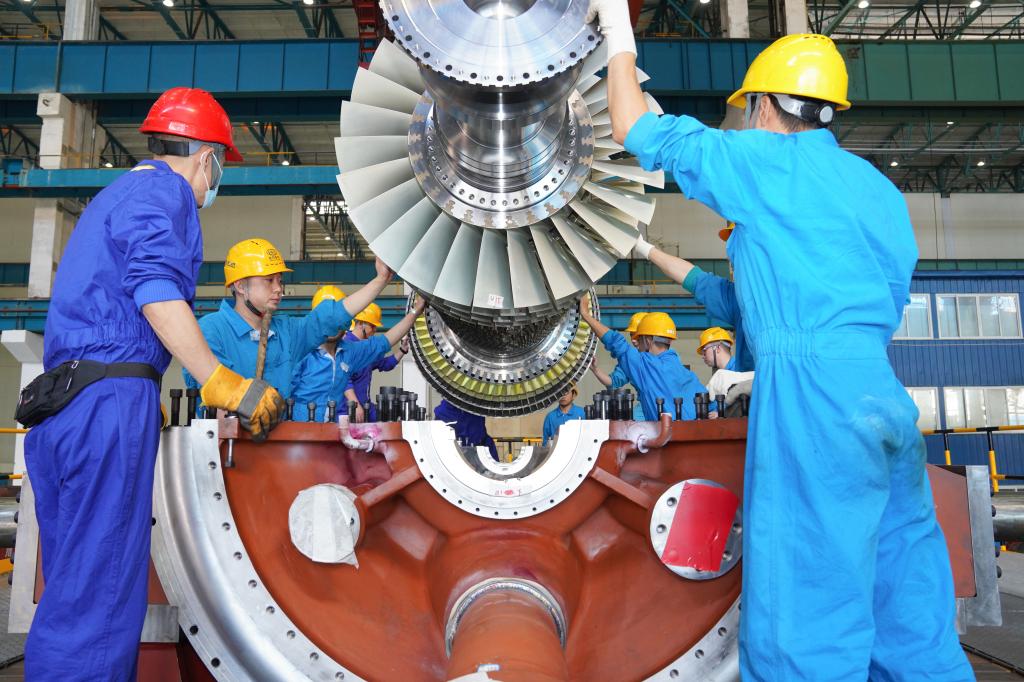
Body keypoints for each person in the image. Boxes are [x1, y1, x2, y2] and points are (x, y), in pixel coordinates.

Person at [589, 2, 971, 677]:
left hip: (813, 404)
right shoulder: (876, 189)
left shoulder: (765, 163)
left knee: (806, 609)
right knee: (906, 604)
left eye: (746, 111)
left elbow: (632, 128)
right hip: (881, 398)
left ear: (764, 105)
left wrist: (616, 31)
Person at [21, 88, 284, 681]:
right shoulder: (165, 192)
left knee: (74, 592)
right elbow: (156, 291)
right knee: (103, 595)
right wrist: (220, 381)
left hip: (67, 404)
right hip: (107, 404)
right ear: (207, 157)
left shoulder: (114, 195)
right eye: (220, 166)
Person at [183, 240, 396, 403]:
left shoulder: (286, 332)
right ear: (240, 286)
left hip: (276, 439)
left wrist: (381, 280)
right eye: (269, 280)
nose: (278, 289)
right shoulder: (211, 330)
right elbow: (213, 388)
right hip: (224, 442)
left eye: (280, 280)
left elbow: (331, 317)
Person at [290, 291, 425, 421]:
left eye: (337, 320)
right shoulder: (300, 352)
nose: (331, 327)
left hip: (340, 421)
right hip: (313, 424)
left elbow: (383, 345)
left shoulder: (351, 352)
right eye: (326, 320)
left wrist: (415, 312)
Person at [579, 301, 704, 421]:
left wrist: (586, 315)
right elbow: (709, 404)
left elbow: (616, 343)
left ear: (648, 340)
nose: (635, 341)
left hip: (665, 433)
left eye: (639, 338)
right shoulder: (688, 375)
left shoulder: (645, 366)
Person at [342, 302, 408, 422]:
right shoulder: (347, 346)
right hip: (348, 409)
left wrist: (403, 350)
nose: (374, 330)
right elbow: (344, 380)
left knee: (386, 423)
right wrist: (355, 406)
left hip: (365, 406)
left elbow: (385, 364)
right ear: (361, 324)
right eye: (372, 326)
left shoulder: (367, 348)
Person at [590, 312, 647, 419]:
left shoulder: (665, 358)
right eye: (631, 334)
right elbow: (613, 382)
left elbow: (616, 343)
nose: (633, 340)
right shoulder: (630, 362)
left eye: (637, 334)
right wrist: (595, 369)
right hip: (646, 407)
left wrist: (587, 316)